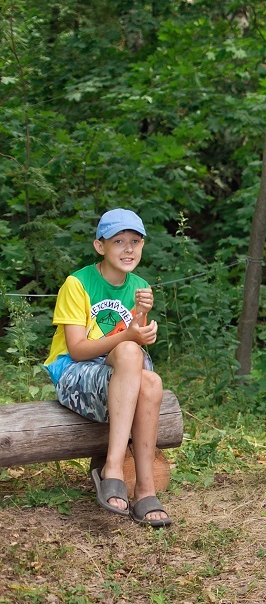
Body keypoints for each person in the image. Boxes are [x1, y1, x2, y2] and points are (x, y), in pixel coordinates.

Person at [43, 209, 171, 527]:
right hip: (75, 373)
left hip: (117, 377)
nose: (128, 249)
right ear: (100, 246)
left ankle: (144, 489)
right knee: (129, 351)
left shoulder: (139, 285)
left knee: (152, 382)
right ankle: (112, 466)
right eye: (118, 241)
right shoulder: (78, 283)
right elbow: (77, 349)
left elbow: (133, 347)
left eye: (135, 242)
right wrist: (130, 336)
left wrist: (142, 324)